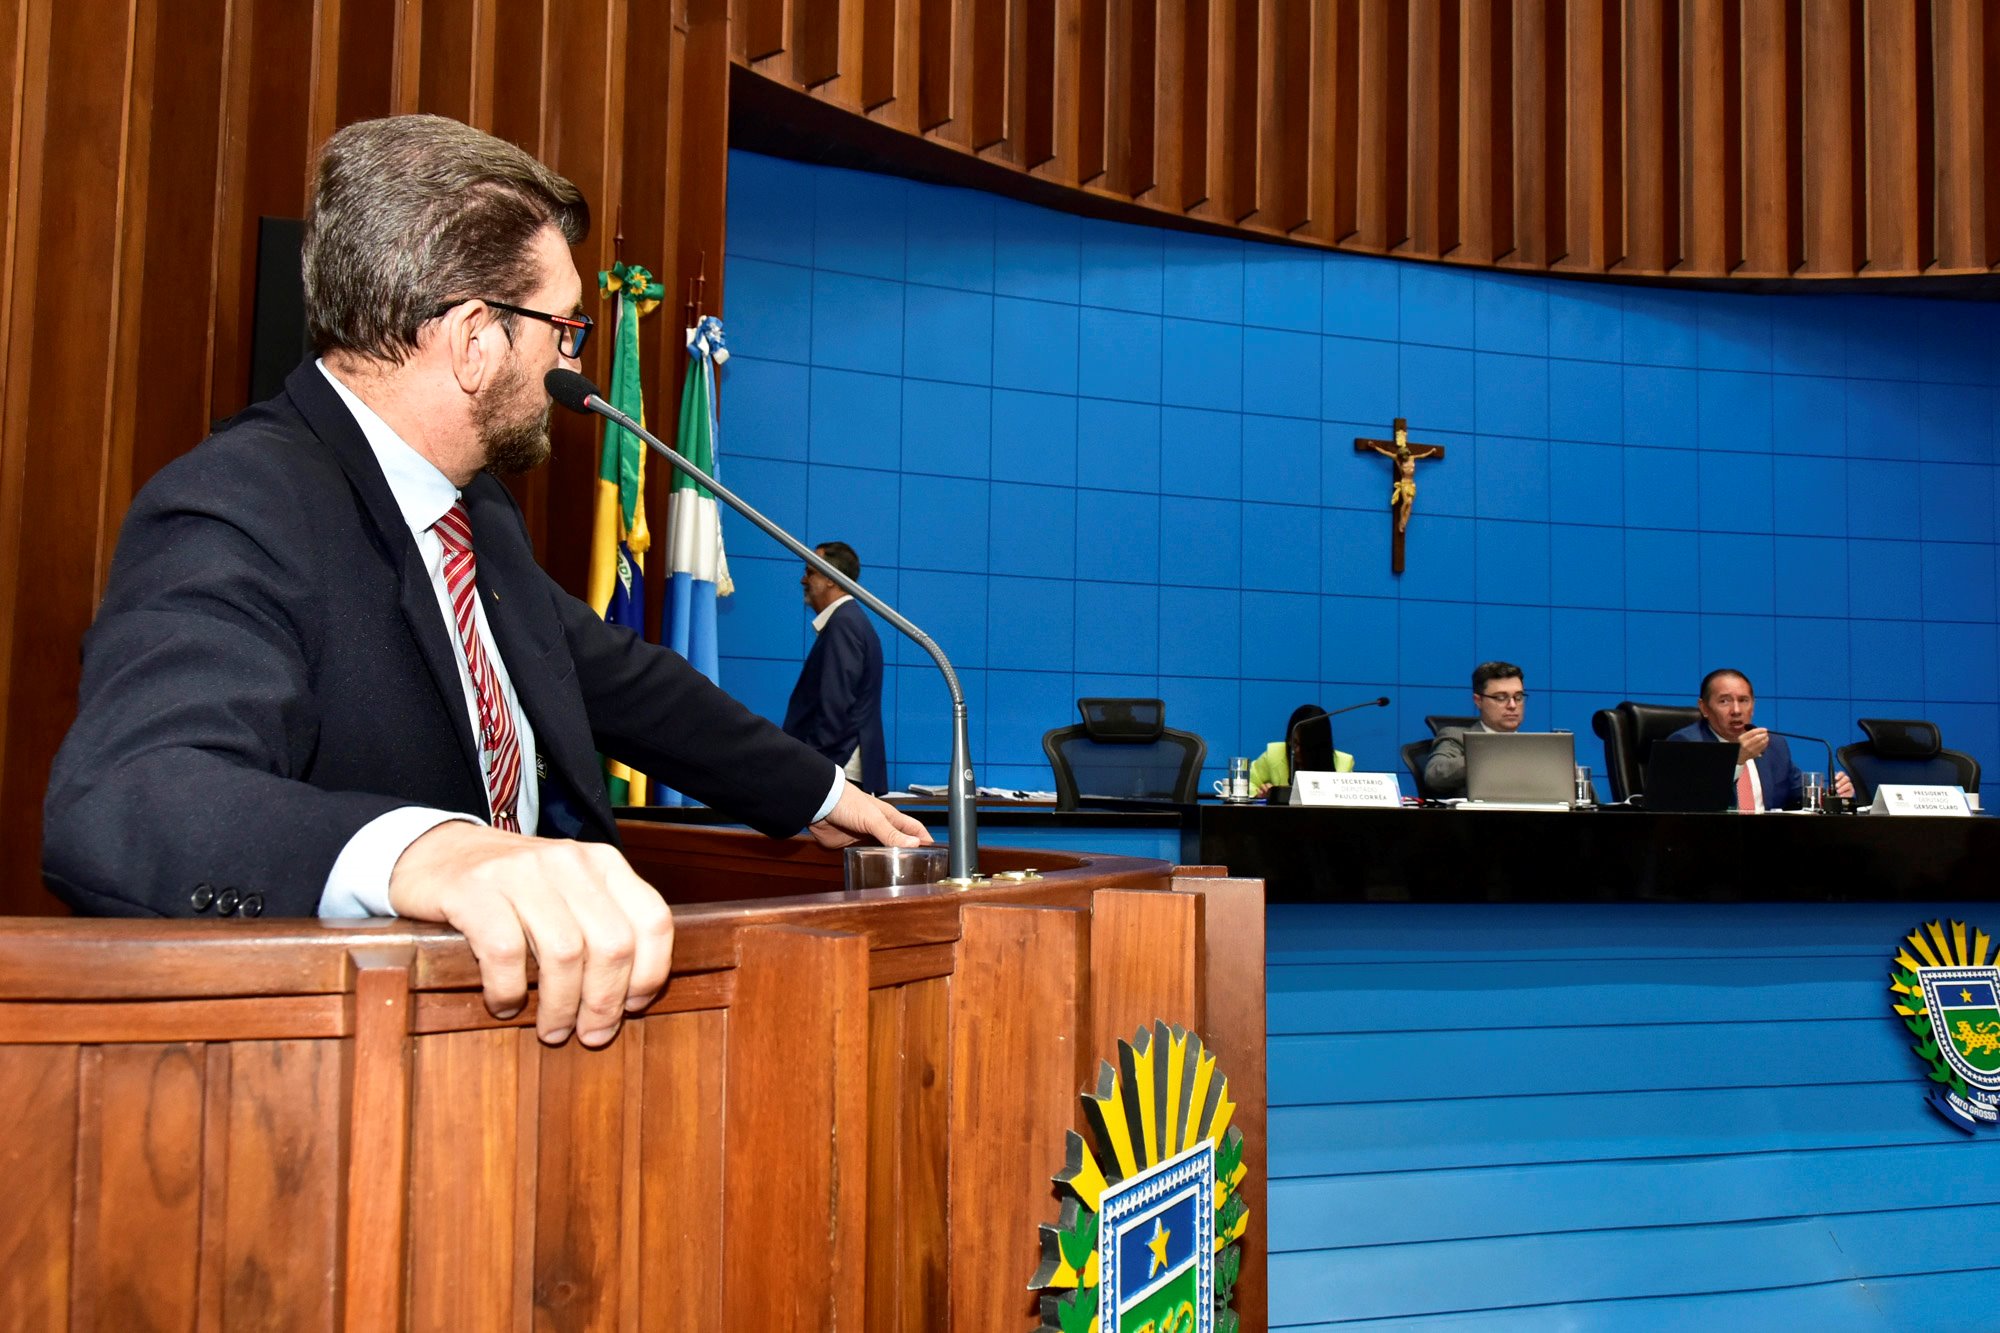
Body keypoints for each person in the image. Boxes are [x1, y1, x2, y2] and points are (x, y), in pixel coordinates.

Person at [41, 114, 927, 1050]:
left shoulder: (478, 512)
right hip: (352, 1059)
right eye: (566, 329)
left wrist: (821, 794)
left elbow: (618, 679)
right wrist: (429, 850)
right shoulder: (239, 503)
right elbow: (128, 795)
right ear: (474, 337)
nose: (574, 362)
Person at [1666, 668, 1853, 811]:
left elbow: (1799, 797)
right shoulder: (1687, 743)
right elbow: (1691, 804)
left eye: (1744, 700)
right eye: (1724, 701)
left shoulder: (1774, 745)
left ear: (1753, 706)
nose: (1736, 710)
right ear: (1704, 708)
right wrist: (1737, 761)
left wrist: (1833, 794)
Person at [782, 542, 887, 795]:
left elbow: (835, 706)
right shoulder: (849, 621)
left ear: (831, 578)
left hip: (836, 768)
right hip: (838, 766)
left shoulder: (844, 625)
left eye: (810, 572)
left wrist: (810, 764)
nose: (803, 580)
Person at [1424, 661, 1527, 797]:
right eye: (1501, 698)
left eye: (1518, 697)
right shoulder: (1457, 737)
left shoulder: (1533, 747)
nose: (1512, 705)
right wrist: (1488, 756)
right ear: (1478, 701)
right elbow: (1434, 775)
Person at [1248, 704, 1355, 797]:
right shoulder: (1274, 754)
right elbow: (1247, 783)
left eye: (1304, 746)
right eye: (1294, 742)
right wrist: (1260, 793)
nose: (1296, 750)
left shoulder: (1344, 764)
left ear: (1318, 747)